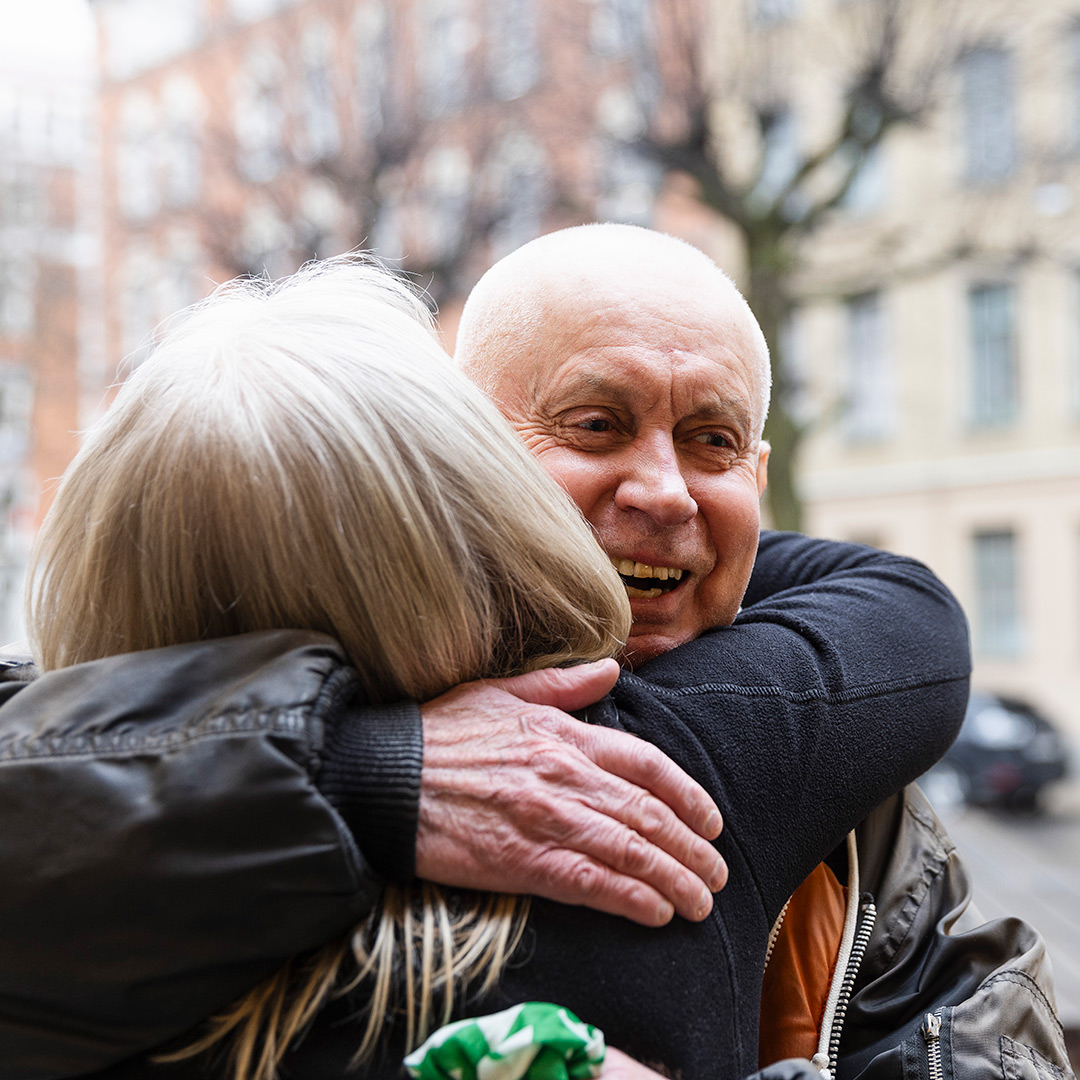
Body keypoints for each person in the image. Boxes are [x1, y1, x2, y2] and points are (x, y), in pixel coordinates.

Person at [0, 227, 1058, 1079]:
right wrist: (366, 768)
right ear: (470, 477)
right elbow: (906, 611)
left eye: (715, 443)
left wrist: (322, 762)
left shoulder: (66, 909)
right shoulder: (665, 765)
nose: (667, 491)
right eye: (595, 425)